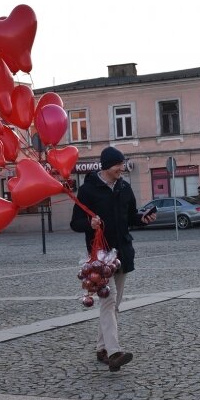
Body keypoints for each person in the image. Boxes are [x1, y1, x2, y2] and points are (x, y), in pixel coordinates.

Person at [71, 146, 156, 372]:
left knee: (113, 305)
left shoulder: (125, 188)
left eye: (123, 163)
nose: (122, 167)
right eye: (119, 164)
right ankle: (114, 352)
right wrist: (89, 224)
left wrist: (143, 218)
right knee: (109, 301)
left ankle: (101, 348)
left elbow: (131, 217)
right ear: (108, 165)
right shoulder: (88, 190)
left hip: (122, 254)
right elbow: (75, 223)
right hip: (100, 259)